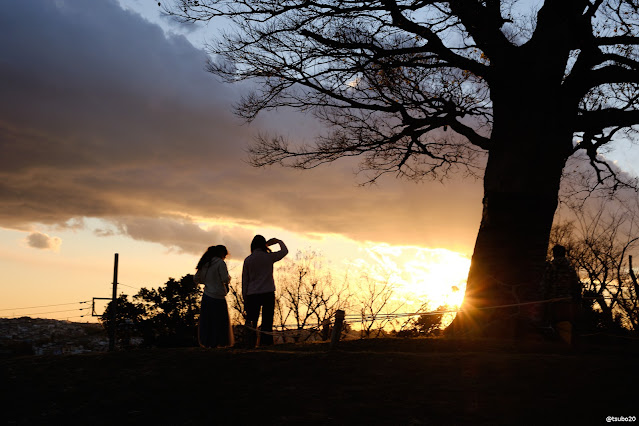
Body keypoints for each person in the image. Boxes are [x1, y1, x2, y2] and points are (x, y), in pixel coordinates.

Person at [242, 235, 288, 346]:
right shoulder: (268, 257)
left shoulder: (248, 260)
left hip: (252, 293)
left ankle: (250, 343)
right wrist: (278, 241)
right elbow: (284, 251)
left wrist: (245, 297)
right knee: (267, 321)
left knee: (252, 321)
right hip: (268, 292)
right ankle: (266, 343)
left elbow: (245, 280)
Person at [194, 245, 234, 348]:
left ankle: (208, 342)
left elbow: (197, 278)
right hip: (218, 296)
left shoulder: (205, 263)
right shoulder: (220, 263)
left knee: (208, 321)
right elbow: (225, 279)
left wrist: (207, 282)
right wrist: (229, 279)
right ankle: (219, 342)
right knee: (220, 321)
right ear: (222, 254)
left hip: (207, 295)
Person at [543, 244, 582, 344]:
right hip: (567, 301)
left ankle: (554, 346)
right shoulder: (570, 269)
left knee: (551, 323)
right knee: (565, 323)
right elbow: (575, 285)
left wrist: (544, 297)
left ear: (554, 254)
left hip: (553, 300)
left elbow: (545, 283)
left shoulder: (550, 267)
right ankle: (566, 345)